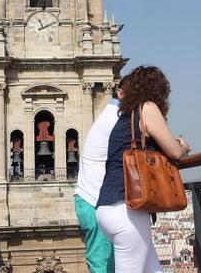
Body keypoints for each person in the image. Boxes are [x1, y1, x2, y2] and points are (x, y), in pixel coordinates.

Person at [95, 66, 191, 273]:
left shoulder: (125, 118)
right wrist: (183, 147)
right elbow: (174, 152)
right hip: (127, 208)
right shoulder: (147, 108)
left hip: (109, 207)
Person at [73, 77, 129, 273]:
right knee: (104, 265)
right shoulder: (118, 118)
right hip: (95, 199)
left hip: (94, 199)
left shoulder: (110, 115)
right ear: (120, 93)